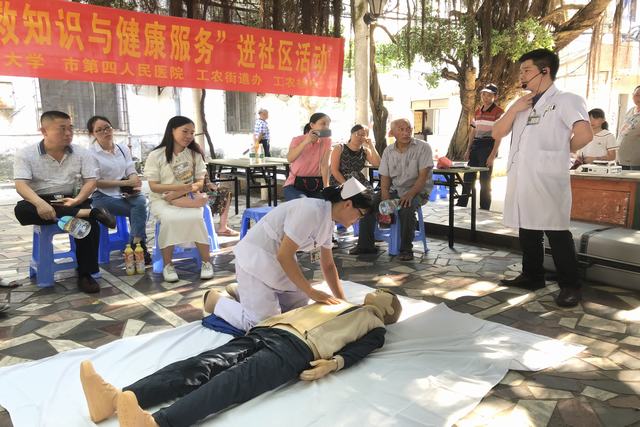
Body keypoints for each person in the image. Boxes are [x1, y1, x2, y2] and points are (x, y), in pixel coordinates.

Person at [79, 289, 402, 427]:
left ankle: (159, 422)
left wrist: (334, 364)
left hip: (298, 350)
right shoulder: (337, 300)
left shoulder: (374, 325)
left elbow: (361, 349)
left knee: (231, 383)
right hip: (268, 331)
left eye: (385, 295)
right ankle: (117, 398)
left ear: (388, 309)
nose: (377, 292)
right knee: (199, 365)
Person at [491, 49, 593, 308]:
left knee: (556, 231)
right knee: (528, 228)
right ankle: (532, 276)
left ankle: (570, 285)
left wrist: (559, 152)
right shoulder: (523, 104)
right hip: (522, 177)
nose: (522, 76)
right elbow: (496, 132)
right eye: (521, 71)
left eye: (526, 70)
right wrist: (514, 108)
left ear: (545, 71)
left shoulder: (566, 99)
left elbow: (584, 134)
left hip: (548, 178)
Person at [213, 177, 375, 331]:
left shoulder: (328, 221)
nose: (358, 220)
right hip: (254, 260)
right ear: (348, 204)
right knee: (263, 325)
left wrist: (344, 304)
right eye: (360, 214)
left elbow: (328, 265)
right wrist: (311, 291)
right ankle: (214, 300)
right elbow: (284, 256)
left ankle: (243, 292)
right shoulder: (310, 210)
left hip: (277, 264)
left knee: (299, 312)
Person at [13, 111, 116, 294]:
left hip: (73, 199)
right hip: (41, 199)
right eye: (62, 129)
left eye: (70, 128)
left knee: (90, 225)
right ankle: (90, 213)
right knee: (22, 210)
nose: (68, 133)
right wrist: (40, 203)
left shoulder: (82, 153)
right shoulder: (25, 154)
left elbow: (90, 182)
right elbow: (21, 185)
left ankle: (85, 274)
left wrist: (77, 200)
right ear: (44, 131)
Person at [144, 116, 214, 283]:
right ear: (172, 130)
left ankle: (206, 262)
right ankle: (168, 265)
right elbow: (154, 186)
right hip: (161, 200)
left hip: (188, 198)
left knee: (196, 217)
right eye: (185, 131)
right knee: (169, 219)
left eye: (192, 132)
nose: (189, 136)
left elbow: (199, 183)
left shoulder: (194, 155)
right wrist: (178, 190)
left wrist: (180, 192)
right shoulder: (156, 155)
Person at [87, 116, 151, 265]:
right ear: (92, 134)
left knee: (142, 202)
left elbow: (130, 168)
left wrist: (134, 179)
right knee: (140, 210)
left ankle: (134, 245)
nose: (105, 132)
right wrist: (127, 182)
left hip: (125, 193)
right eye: (99, 130)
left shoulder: (122, 148)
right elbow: (95, 182)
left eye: (107, 127)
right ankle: (139, 247)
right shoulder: (90, 154)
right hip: (102, 196)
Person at [377, 119, 434, 261]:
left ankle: (406, 249)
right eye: (401, 129)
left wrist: (410, 194)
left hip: (418, 191)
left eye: (408, 129)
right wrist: (385, 198)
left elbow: (423, 177)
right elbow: (385, 177)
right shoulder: (388, 151)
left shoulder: (423, 147)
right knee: (369, 202)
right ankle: (365, 244)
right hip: (395, 190)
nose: (406, 132)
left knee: (406, 208)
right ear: (392, 132)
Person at [330, 125, 382, 255]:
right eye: (358, 134)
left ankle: (366, 239)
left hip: (358, 181)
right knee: (356, 201)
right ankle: (329, 237)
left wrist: (371, 146)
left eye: (364, 134)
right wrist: (346, 184)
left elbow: (378, 164)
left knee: (370, 201)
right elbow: (334, 170)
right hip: (340, 181)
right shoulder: (340, 148)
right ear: (351, 134)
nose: (361, 137)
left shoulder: (365, 151)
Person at [457, 83, 504, 210]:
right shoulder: (477, 111)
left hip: (488, 147)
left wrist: (492, 155)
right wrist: (468, 149)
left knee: (485, 180)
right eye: (484, 94)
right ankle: (462, 204)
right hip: (476, 146)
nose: (485, 97)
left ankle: (484, 208)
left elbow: (499, 135)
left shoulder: (499, 112)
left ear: (495, 96)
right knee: (468, 177)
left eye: (489, 95)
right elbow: (473, 131)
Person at [283, 113, 332, 201]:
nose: (326, 127)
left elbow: (324, 165)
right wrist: (306, 141)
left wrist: (326, 187)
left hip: (316, 185)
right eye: (323, 124)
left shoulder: (327, 141)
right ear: (312, 125)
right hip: (294, 185)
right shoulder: (297, 140)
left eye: (328, 124)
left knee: (327, 204)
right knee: (304, 203)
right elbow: (290, 159)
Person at [616, 85, 640, 170]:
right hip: (621, 157)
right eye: (637, 95)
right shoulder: (631, 110)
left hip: (635, 160)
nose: (638, 98)